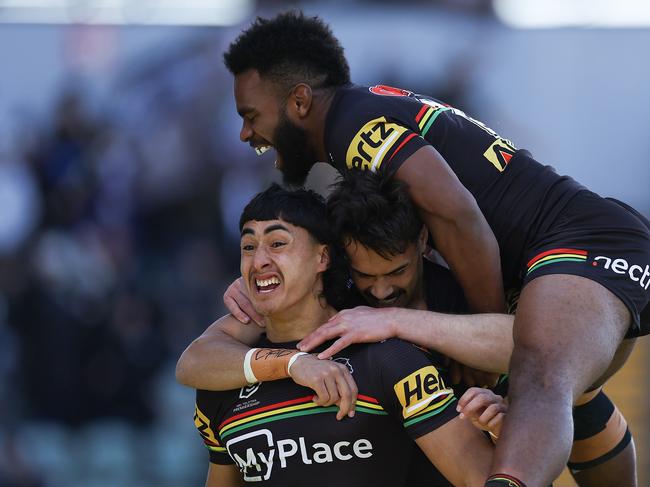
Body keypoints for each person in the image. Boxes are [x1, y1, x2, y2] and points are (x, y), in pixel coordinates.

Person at [219, 11, 650, 487]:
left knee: (538, 370)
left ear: (298, 101)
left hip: (584, 241)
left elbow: (458, 215)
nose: (245, 133)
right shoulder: (361, 116)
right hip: (573, 248)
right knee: (573, 392)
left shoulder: (351, 125)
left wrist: (482, 343)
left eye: (250, 115)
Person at [179, 172, 637, 486]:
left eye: (395, 273)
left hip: (512, 393)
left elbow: (543, 352)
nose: (378, 292)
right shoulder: (320, 297)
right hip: (433, 427)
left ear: (423, 244)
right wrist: (291, 360)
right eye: (365, 277)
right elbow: (195, 361)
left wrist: (395, 322)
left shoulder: (452, 296)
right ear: (337, 258)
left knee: (575, 394)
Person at [193, 183, 493, 486]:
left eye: (278, 244)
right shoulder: (222, 382)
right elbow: (191, 361)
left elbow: (483, 478)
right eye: (248, 247)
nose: (259, 261)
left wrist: (504, 428)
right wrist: (293, 363)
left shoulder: (392, 360)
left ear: (322, 258)